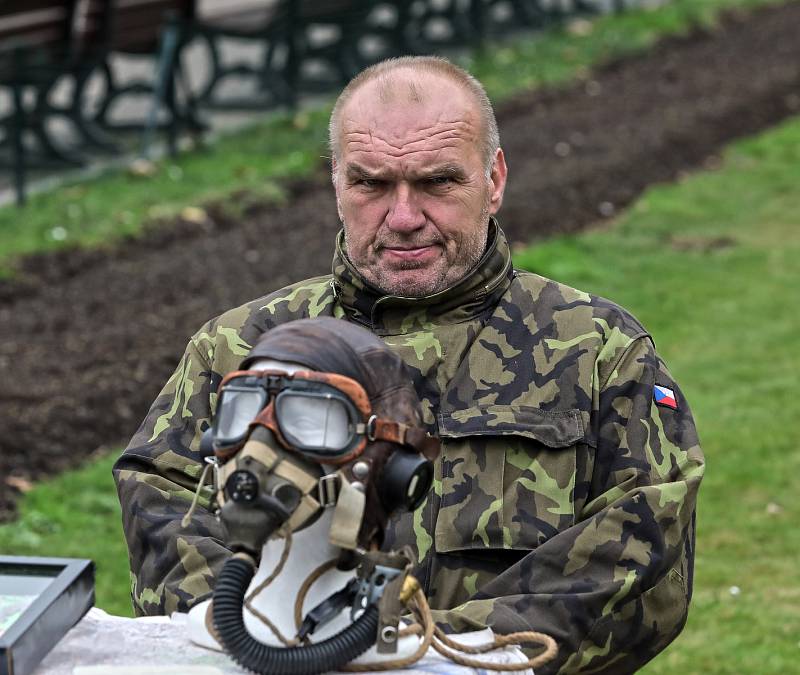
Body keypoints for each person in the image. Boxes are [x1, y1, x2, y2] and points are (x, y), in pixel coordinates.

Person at [114, 55, 704, 673]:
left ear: (493, 180)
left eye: (437, 182)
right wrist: (265, 641)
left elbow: (643, 543)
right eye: (370, 183)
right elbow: (160, 501)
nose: (402, 217)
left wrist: (424, 658)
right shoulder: (242, 348)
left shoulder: (598, 352)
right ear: (337, 183)